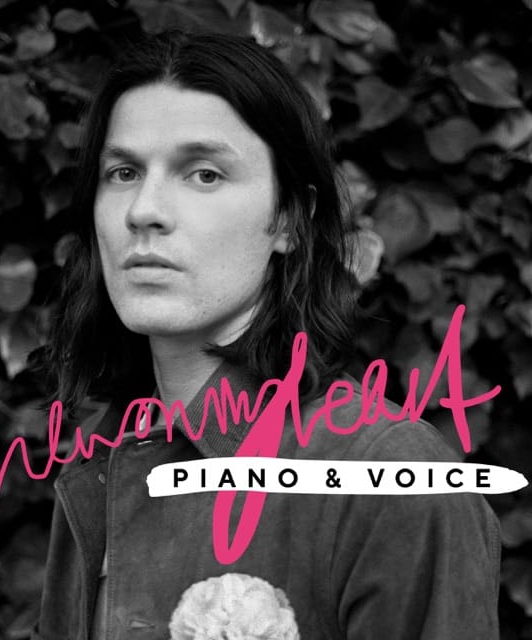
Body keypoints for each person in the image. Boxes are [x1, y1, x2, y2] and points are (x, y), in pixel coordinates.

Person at [32, 30, 500, 640]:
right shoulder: (103, 457)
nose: (143, 210)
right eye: (123, 172)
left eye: (204, 174)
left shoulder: (390, 478)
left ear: (288, 220)